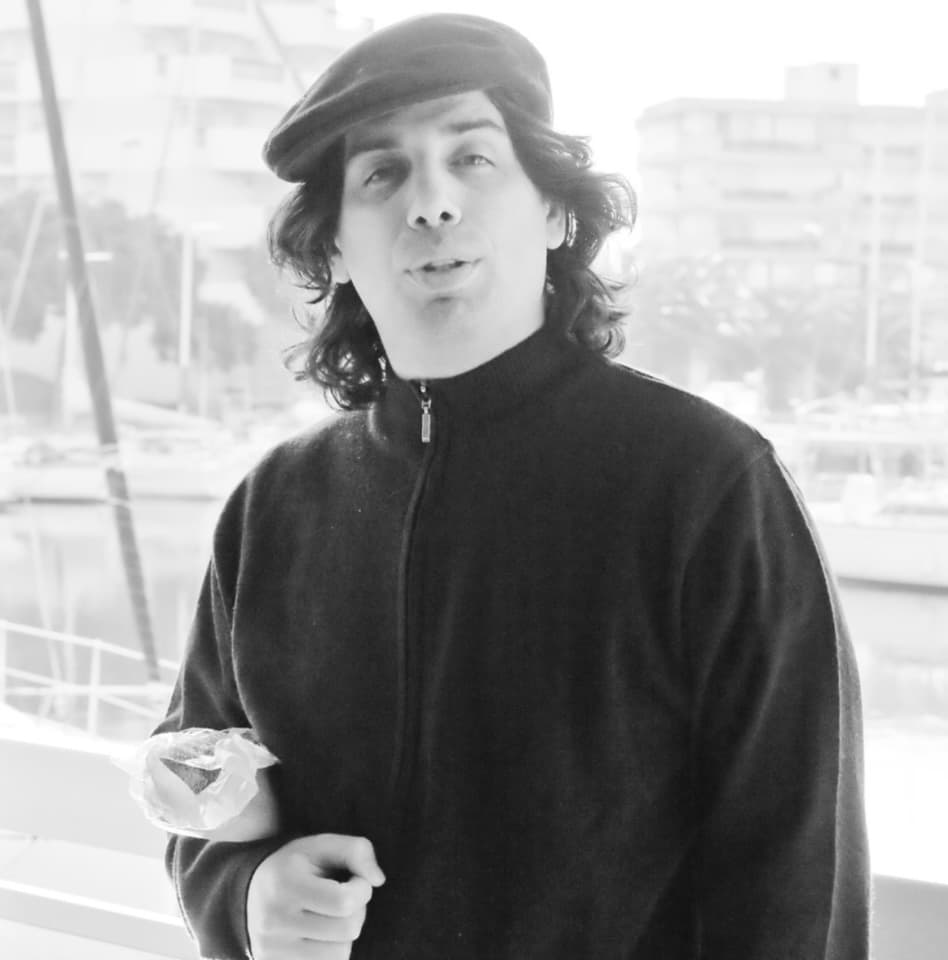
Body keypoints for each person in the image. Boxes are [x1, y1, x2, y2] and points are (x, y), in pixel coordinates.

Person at [152, 13, 870, 960]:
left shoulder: (707, 485)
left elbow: (796, 869)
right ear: (335, 249)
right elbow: (195, 782)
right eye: (382, 173)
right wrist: (245, 898)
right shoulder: (272, 508)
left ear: (558, 212)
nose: (431, 202)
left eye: (474, 158)